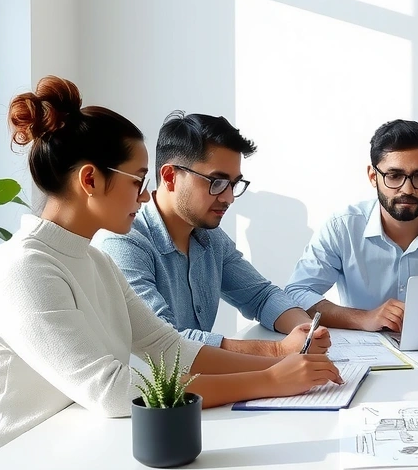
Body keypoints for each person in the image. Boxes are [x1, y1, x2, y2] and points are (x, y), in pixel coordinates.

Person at [0, 77, 341, 470]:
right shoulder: (23, 269)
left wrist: (283, 367)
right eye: (137, 180)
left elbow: (163, 347)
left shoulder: (91, 259)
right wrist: (268, 380)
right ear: (90, 180)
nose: (145, 196)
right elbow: (113, 389)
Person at [98, 112, 320, 357]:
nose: (229, 198)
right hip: (145, 392)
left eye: (234, 184)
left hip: (199, 385)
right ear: (170, 177)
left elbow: (260, 295)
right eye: (216, 182)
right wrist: (278, 350)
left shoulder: (209, 237)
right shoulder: (124, 242)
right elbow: (168, 342)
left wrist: (306, 331)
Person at [285, 119, 418, 331]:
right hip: (365, 356)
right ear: (372, 176)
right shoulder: (342, 228)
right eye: (394, 176)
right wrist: (364, 318)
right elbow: (297, 292)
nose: (407, 189)